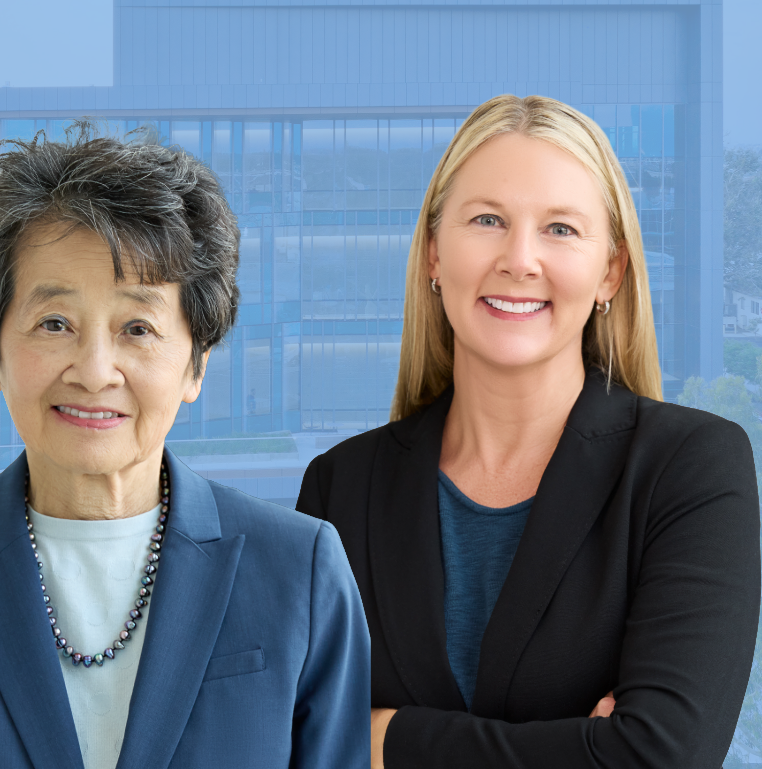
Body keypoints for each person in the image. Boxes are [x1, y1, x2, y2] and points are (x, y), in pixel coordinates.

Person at [0, 124, 370, 769]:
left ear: (196, 365)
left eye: (138, 327)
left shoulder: (300, 572)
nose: (95, 370)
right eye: (54, 324)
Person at [296, 94, 761, 769]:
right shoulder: (343, 490)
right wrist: (582, 746)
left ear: (611, 271)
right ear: (432, 252)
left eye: (561, 230)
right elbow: (293, 745)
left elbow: (661, 758)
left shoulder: (690, 469)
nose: (519, 259)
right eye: (487, 219)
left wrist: (390, 740)